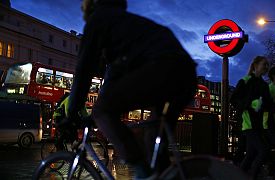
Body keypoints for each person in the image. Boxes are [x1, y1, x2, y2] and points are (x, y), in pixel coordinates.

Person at [65, 0, 197, 179]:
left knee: (102, 109)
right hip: (186, 73)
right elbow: (112, 79)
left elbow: (83, 69)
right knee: (153, 135)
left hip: (163, 67)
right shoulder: (128, 28)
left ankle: (141, 171)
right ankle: (162, 174)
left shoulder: (99, 20)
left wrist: (72, 113)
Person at [230, 56, 272, 179]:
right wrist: (249, 104)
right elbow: (233, 99)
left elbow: (268, 104)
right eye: (264, 64)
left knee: (251, 154)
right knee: (263, 151)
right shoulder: (245, 81)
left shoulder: (264, 85)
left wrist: (264, 105)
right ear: (255, 65)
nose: (266, 67)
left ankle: (239, 176)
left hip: (257, 123)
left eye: (267, 65)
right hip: (247, 122)